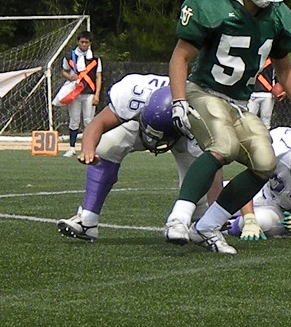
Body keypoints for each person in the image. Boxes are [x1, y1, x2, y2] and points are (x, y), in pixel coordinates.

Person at [163, 0, 291, 255]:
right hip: (204, 91)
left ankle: (208, 226)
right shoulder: (211, 7)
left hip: (239, 104)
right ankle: (179, 218)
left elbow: (285, 69)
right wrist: (179, 100)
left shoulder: (278, 16)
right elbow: (180, 57)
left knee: (265, 163)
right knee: (222, 146)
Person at [56, 75, 219, 241]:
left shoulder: (198, 114)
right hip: (142, 123)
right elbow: (98, 123)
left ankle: (201, 227)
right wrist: (88, 149)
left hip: (182, 132)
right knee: (106, 146)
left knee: (198, 181)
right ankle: (88, 221)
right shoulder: (133, 96)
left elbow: (212, 165)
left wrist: (214, 214)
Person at [60, 30, 102, 157]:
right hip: (75, 92)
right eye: (82, 42)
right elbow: (64, 70)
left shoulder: (95, 58)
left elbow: (98, 76)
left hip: (89, 93)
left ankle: (88, 148)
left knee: (89, 121)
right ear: (78, 42)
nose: (84, 44)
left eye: (86, 42)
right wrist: (69, 77)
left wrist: (97, 94)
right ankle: (72, 147)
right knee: (74, 120)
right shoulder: (70, 56)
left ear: (90, 43)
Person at [247, 57, 286, 129]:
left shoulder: (273, 60)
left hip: (268, 93)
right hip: (252, 92)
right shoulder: (251, 57)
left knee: (266, 123)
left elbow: (281, 75)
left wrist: (284, 90)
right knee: (248, 121)